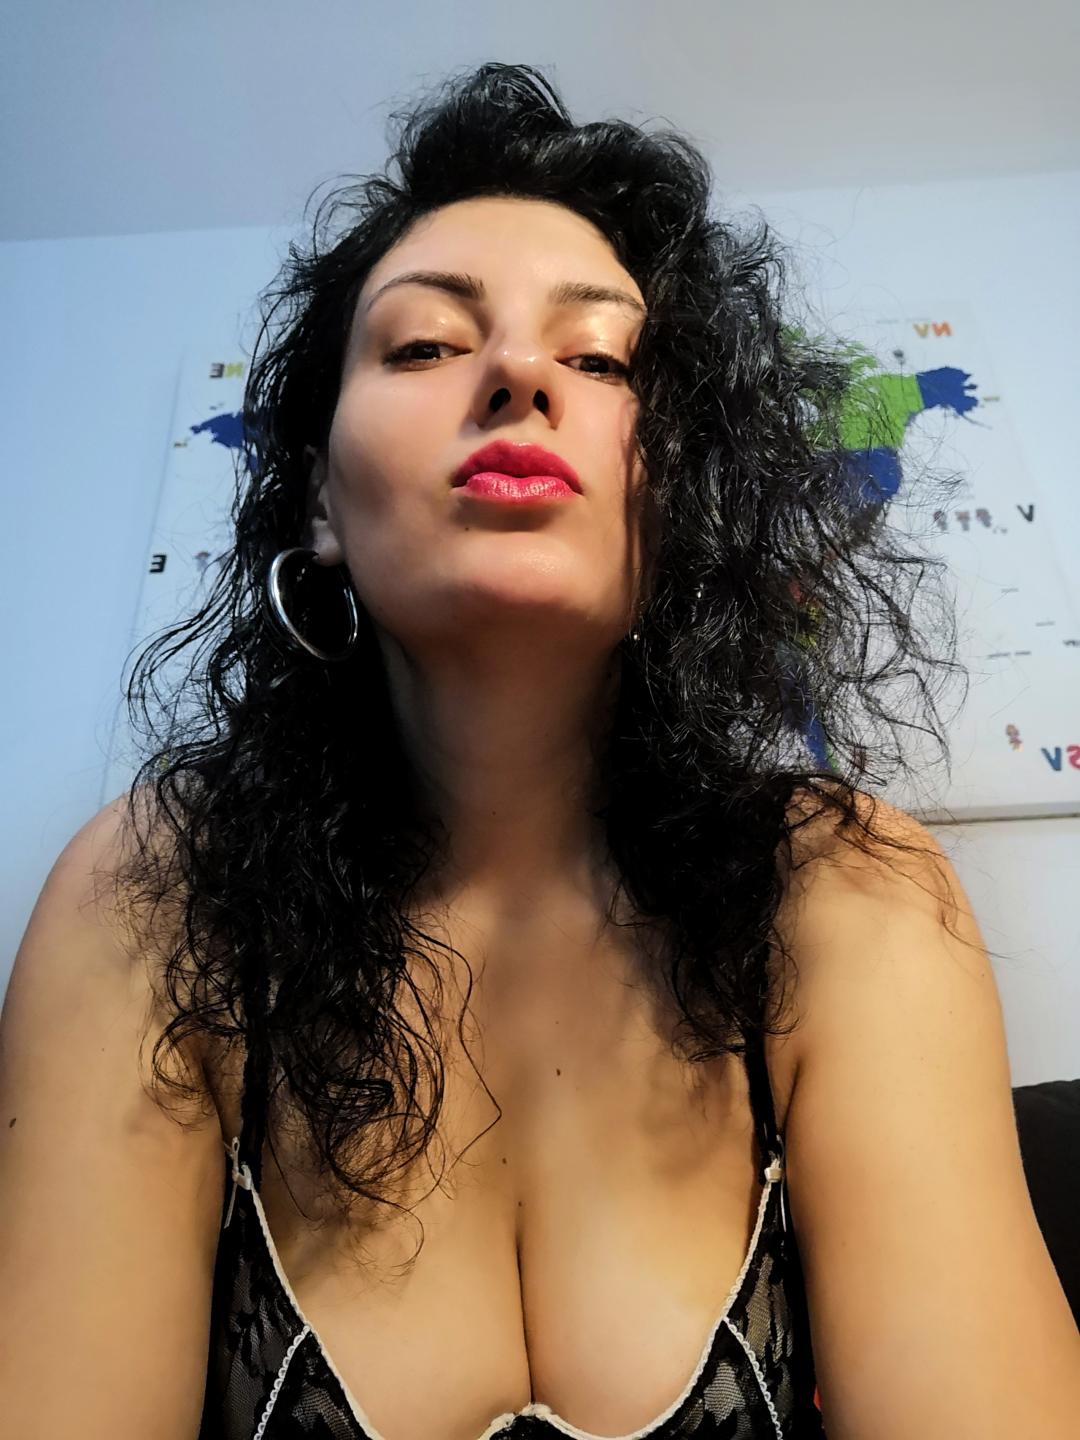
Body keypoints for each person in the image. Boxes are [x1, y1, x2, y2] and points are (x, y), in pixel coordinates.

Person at [4, 60, 1078, 1440]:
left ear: (679, 492)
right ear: (320, 497)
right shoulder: (153, 899)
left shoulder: (849, 893)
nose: (518, 372)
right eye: (424, 346)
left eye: (601, 359)